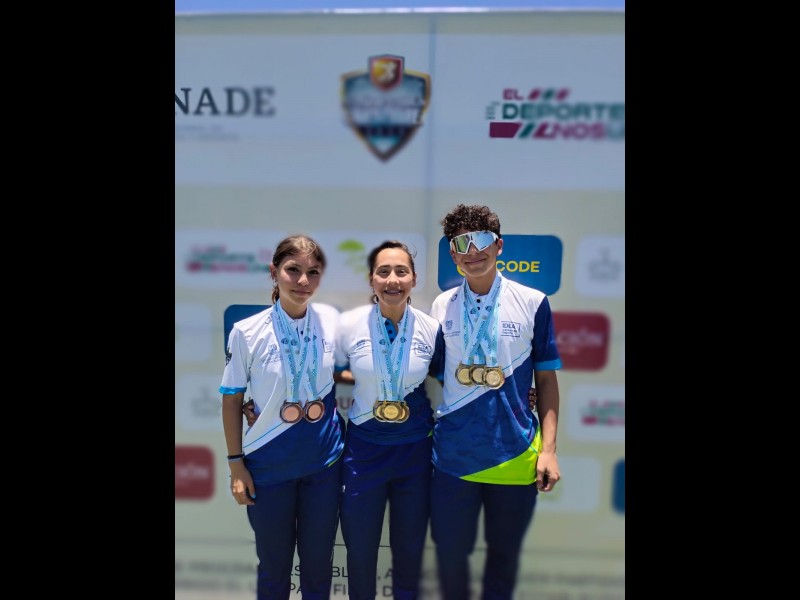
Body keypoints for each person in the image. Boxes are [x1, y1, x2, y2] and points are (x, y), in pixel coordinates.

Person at [428, 204, 562, 600]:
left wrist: (549, 451)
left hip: (515, 457)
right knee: (450, 561)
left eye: (482, 240)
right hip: (453, 460)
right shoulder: (441, 305)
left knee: (503, 565)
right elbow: (433, 372)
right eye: (461, 244)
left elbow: (546, 380)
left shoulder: (534, 301)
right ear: (452, 254)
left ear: (499, 245)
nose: (473, 251)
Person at [219, 234, 346, 600]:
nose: (303, 281)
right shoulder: (246, 332)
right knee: (274, 570)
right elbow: (232, 399)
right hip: (269, 468)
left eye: (313, 272)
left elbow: (351, 369)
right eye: (293, 270)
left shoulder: (331, 324)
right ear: (274, 272)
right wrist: (236, 465)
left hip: (323, 466)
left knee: (318, 568)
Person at [334, 240, 444, 600]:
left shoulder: (432, 328)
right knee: (360, 551)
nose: (392, 279)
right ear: (371, 279)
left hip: (414, 453)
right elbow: (324, 371)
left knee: (409, 552)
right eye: (383, 272)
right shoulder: (348, 326)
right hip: (363, 453)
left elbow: (449, 379)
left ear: (413, 279)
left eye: (401, 271)